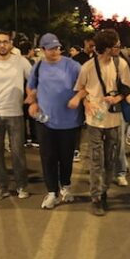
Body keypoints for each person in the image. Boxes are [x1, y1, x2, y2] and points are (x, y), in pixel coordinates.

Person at [70, 29, 130, 216]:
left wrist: (120, 97)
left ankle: (104, 190)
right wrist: (84, 103)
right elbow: (81, 88)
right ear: (107, 48)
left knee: (111, 159)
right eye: (116, 46)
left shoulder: (120, 64)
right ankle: (96, 196)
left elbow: (128, 86)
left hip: (114, 118)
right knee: (96, 159)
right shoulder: (88, 67)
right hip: (94, 119)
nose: (119, 48)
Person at [27, 33, 82, 209]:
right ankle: (52, 191)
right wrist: (33, 102)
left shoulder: (72, 66)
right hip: (46, 121)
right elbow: (31, 87)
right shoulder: (38, 67)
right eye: (50, 48)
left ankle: (65, 186)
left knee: (66, 157)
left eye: (57, 48)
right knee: (48, 157)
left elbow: (84, 86)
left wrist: (77, 98)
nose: (55, 51)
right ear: (42, 50)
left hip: (69, 121)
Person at [0, 30, 33, 201]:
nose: (2, 45)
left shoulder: (21, 62)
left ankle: (21, 185)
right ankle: (1, 187)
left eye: (5, 41)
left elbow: (33, 80)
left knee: (18, 152)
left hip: (15, 113)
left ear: (11, 44)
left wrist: (31, 96)